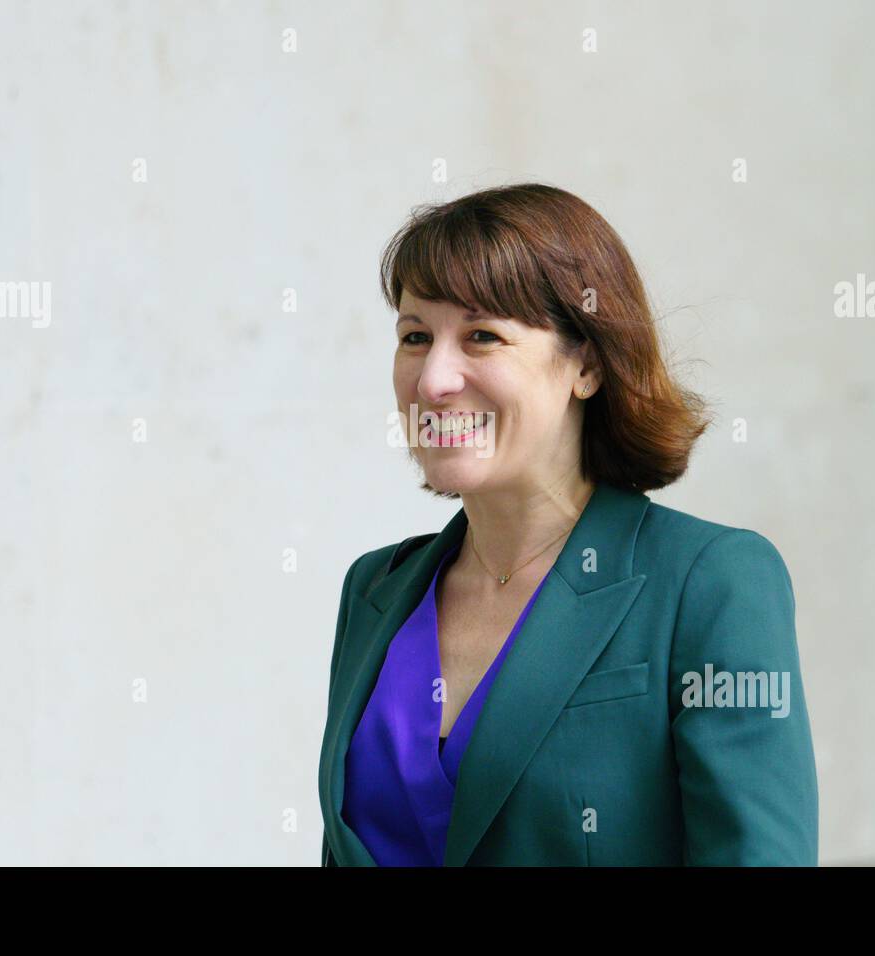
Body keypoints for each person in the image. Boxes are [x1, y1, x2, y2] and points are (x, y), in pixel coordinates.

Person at [317, 183, 818, 866]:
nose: (433, 379)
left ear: (585, 363)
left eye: (481, 336)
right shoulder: (374, 589)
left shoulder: (708, 582)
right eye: (414, 337)